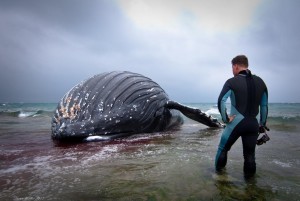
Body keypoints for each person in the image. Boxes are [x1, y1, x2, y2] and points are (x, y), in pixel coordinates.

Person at [215, 55, 268, 178]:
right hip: (253, 124)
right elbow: (264, 106)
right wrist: (262, 124)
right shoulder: (261, 82)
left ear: (236, 66)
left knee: (223, 149)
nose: (232, 70)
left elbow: (221, 100)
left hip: (236, 122)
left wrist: (226, 119)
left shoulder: (231, 82)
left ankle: (219, 179)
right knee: (249, 156)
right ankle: (250, 187)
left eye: (232, 67)